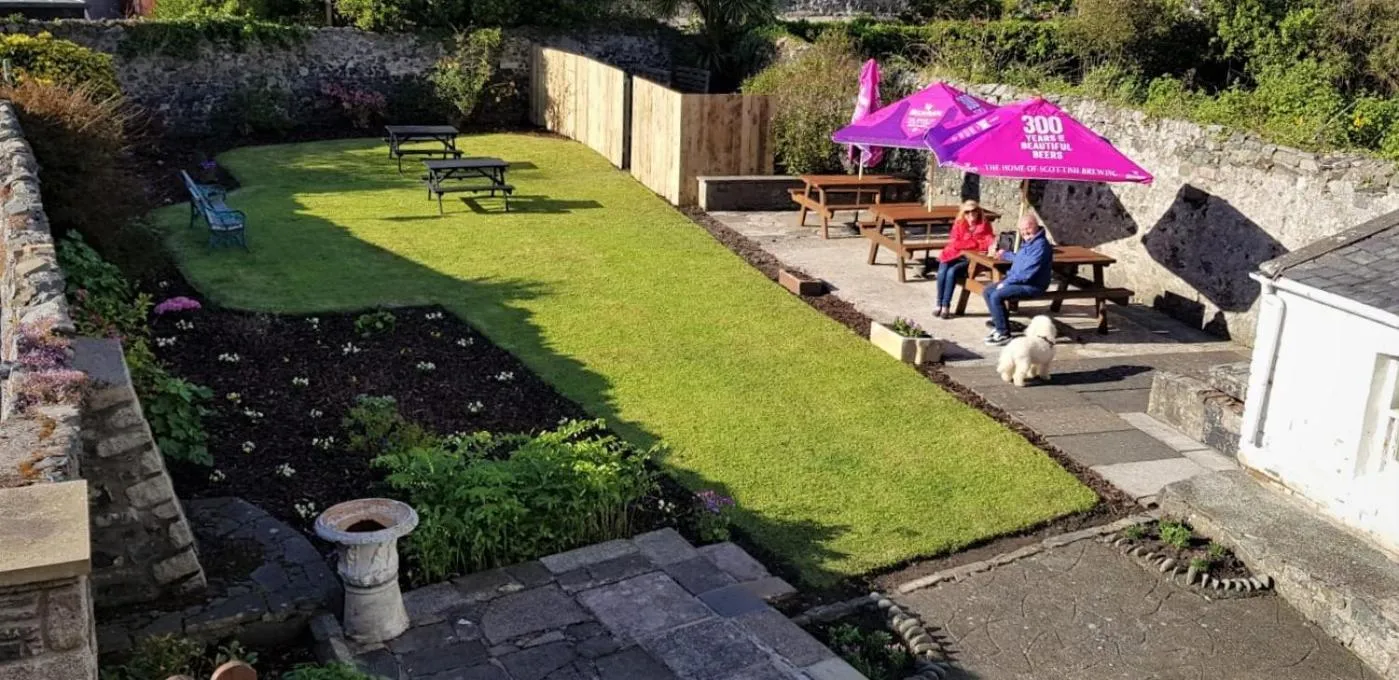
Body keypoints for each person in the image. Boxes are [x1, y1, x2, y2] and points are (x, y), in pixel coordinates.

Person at [983, 215, 1053, 346]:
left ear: (1036, 226)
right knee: (987, 291)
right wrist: (1004, 254)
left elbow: (1026, 274)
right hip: (1019, 281)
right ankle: (1000, 325)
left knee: (996, 295)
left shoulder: (1040, 246)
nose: (1025, 232)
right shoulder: (1029, 242)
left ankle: (1003, 333)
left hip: (1033, 285)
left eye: (1028, 228)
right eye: (1022, 230)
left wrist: (1005, 283)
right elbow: (1020, 259)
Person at [931, 200, 995, 319]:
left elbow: (989, 243)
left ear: (978, 212)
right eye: (967, 212)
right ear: (963, 213)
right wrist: (975, 243)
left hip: (968, 259)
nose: (971, 214)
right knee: (941, 273)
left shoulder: (984, 225)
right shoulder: (959, 224)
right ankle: (938, 303)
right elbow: (955, 244)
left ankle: (946, 306)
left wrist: (968, 244)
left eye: (974, 211)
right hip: (951, 254)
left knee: (951, 273)